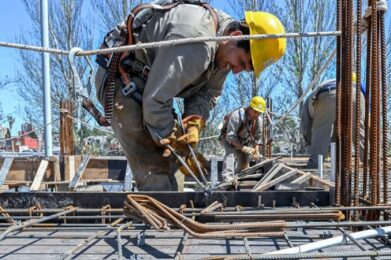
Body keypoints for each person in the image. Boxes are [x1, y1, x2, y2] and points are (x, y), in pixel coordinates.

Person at [93, 0, 286, 191]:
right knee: (155, 166)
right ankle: (161, 218)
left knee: (176, 166)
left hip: (148, 84)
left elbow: (208, 93)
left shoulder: (225, 47)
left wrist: (193, 123)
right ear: (235, 36)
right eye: (242, 63)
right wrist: (176, 141)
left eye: (245, 69)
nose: (236, 72)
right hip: (122, 77)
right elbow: (156, 101)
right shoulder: (198, 43)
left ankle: (174, 215)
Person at [300, 75, 365, 168]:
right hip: (356, 94)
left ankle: (315, 164)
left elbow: (305, 126)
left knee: (321, 132)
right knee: (358, 130)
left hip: (330, 93)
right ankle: (370, 160)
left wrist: (309, 142)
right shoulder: (359, 84)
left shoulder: (309, 102)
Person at [220, 96, 265, 181]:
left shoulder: (258, 121)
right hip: (227, 138)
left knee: (244, 162)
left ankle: (238, 177)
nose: (257, 115)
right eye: (255, 112)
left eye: (259, 113)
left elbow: (257, 138)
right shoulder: (237, 116)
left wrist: (256, 149)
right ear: (250, 108)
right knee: (231, 152)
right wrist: (244, 148)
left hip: (243, 140)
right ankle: (227, 178)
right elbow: (230, 137)